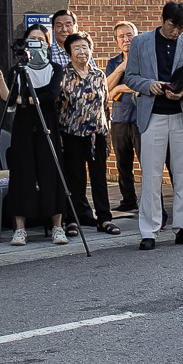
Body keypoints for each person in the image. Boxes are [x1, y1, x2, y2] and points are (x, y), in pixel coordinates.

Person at [122, 0, 183, 249]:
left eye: (181, 27)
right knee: (151, 175)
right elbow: (131, 77)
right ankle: (149, 231)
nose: (176, 31)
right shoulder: (141, 41)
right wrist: (150, 85)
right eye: (173, 26)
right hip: (153, 115)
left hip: (182, 114)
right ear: (163, 19)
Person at [0, 25, 74, 245]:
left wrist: (23, 100)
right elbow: (7, 97)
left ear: (46, 43)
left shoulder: (55, 68)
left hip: (48, 123)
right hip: (23, 124)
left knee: (51, 172)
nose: (36, 44)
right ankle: (20, 229)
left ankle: (57, 226)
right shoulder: (17, 70)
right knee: (22, 173)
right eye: (31, 40)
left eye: (40, 40)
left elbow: (51, 94)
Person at [55, 33, 117, 234]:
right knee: (75, 179)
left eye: (85, 47)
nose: (82, 52)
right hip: (71, 134)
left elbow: (104, 106)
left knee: (100, 178)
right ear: (69, 52)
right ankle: (72, 220)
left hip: (96, 135)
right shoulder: (62, 74)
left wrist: (106, 134)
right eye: (77, 48)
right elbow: (56, 108)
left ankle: (104, 219)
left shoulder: (99, 75)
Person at [103, 20, 141, 212]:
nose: (126, 39)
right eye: (121, 37)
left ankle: (154, 203)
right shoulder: (113, 63)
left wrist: (118, 88)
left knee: (147, 163)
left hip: (141, 119)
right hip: (119, 119)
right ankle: (128, 201)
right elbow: (106, 91)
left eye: (129, 35)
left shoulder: (145, 59)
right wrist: (121, 69)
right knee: (123, 165)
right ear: (117, 41)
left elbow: (143, 85)